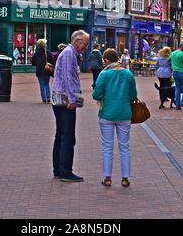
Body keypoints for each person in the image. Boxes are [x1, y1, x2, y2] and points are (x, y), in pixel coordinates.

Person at [92, 48, 137, 188]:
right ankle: (125, 178)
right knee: (124, 146)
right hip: (124, 113)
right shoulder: (128, 74)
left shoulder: (104, 75)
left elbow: (96, 95)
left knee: (107, 146)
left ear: (106, 60)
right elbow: (133, 96)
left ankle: (107, 177)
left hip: (107, 114)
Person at [52, 29, 90, 182]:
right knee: (67, 136)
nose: (86, 47)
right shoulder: (69, 53)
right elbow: (67, 77)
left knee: (61, 135)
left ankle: (59, 170)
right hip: (65, 100)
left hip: (61, 98)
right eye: (85, 44)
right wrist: (71, 98)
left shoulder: (70, 53)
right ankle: (65, 172)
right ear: (77, 41)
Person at [32, 39, 55, 104]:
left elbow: (33, 63)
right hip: (47, 70)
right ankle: (48, 96)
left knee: (41, 85)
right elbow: (52, 61)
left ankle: (44, 98)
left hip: (39, 71)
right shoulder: (47, 52)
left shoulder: (36, 54)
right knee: (47, 83)